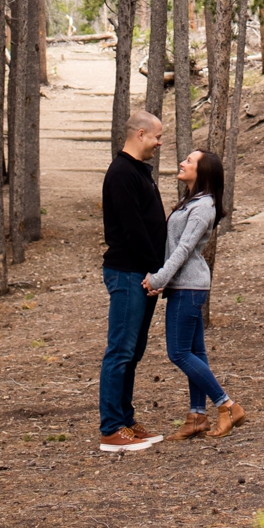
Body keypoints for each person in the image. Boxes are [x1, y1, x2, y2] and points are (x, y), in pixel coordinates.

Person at [147, 147, 244, 441]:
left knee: (178, 353)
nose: (182, 162)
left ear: (203, 172)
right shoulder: (193, 201)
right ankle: (196, 416)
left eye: (189, 161)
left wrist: (159, 278)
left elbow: (184, 249)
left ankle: (227, 405)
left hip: (188, 286)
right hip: (186, 284)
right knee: (196, 352)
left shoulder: (203, 206)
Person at [99, 108, 168, 452]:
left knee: (134, 350)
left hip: (143, 274)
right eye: (156, 136)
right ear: (140, 134)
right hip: (130, 273)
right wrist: (155, 271)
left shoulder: (139, 172)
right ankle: (111, 428)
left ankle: (125, 419)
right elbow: (132, 229)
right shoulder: (122, 173)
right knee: (121, 350)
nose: (159, 142)